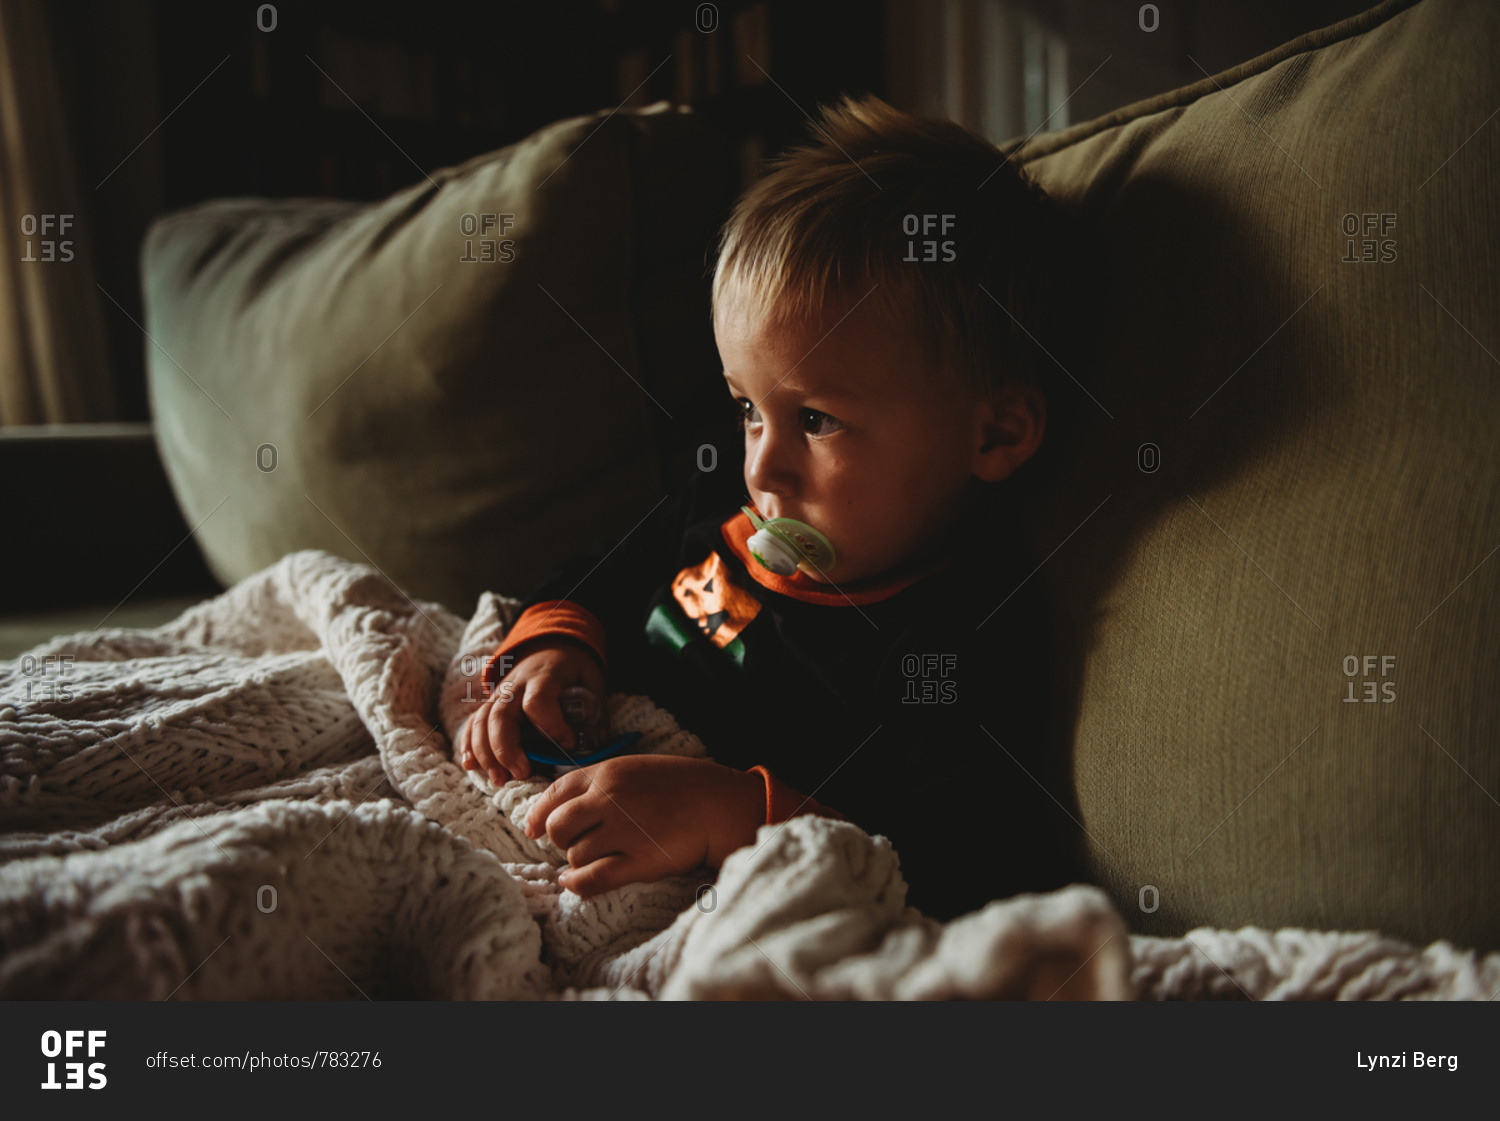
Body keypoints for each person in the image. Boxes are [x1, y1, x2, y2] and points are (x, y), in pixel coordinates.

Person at [454, 92, 1082, 920]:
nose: (762, 465)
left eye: (816, 420)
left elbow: (964, 865)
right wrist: (558, 653)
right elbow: (603, 572)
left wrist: (733, 813)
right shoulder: (726, 496)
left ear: (994, 432)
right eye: (748, 408)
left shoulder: (958, 641)